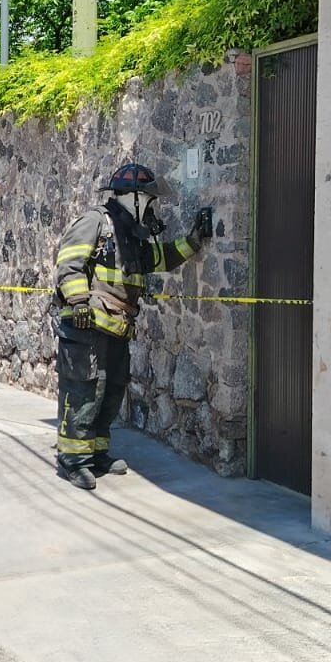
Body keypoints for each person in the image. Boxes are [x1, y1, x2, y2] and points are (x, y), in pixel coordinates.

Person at [51, 162, 214, 489]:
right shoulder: (96, 222)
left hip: (116, 327)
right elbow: (68, 263)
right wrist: (79, 301)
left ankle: (97, 453)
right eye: (151, 200)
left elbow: (161, 259)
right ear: (135, 198)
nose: (155, 206)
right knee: (85, 390)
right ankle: (74, 459)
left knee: (111, 391)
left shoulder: (131, 235)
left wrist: (194, 241)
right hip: (86, 326)